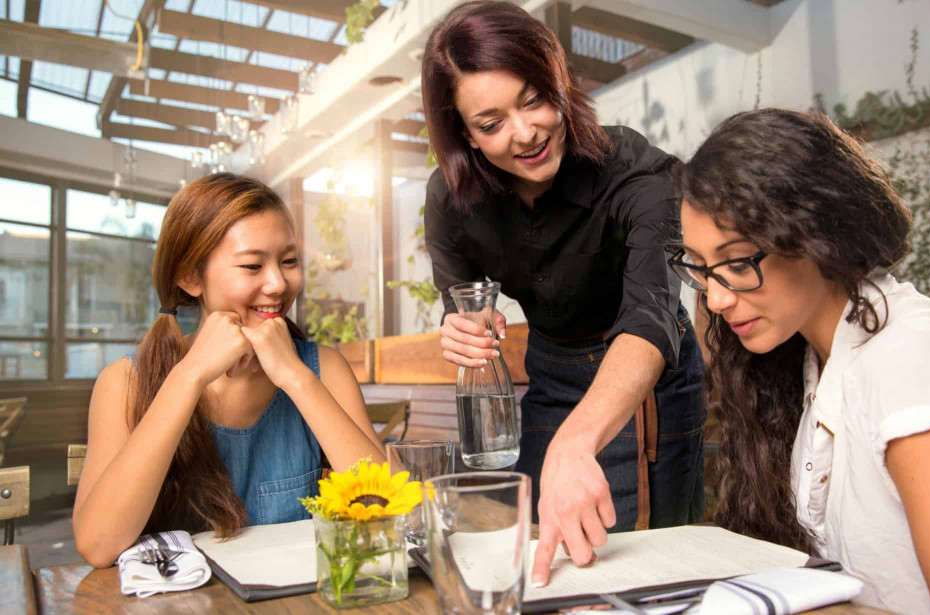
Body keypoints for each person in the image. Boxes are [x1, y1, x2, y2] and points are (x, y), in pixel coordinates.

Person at [675, 108, 930, 614]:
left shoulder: (912, 367)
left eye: (736, 263)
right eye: (703, 270)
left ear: (815, 232)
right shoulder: (817, 358)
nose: (717, 299)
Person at [421, 0, 706, 586]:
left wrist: (576, 444)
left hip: (645, 375)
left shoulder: (634, 172)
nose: (525, 134)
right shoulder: (451, 198)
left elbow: (653, 313)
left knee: (644, 564)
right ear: (465, 135)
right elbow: (460, 297)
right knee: (540, 553)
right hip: (551, 373)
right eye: (491, 123)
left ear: (560, 84)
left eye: (533, 100)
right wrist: (463, 325)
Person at [73, 173, 384, 568]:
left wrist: (295, 377)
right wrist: (189, 377)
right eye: (252, 266)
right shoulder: (125, 382)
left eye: (289, 261)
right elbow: (99, 545)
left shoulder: (323, 369)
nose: (278, 283)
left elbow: (388, 508)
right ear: (190, 276)